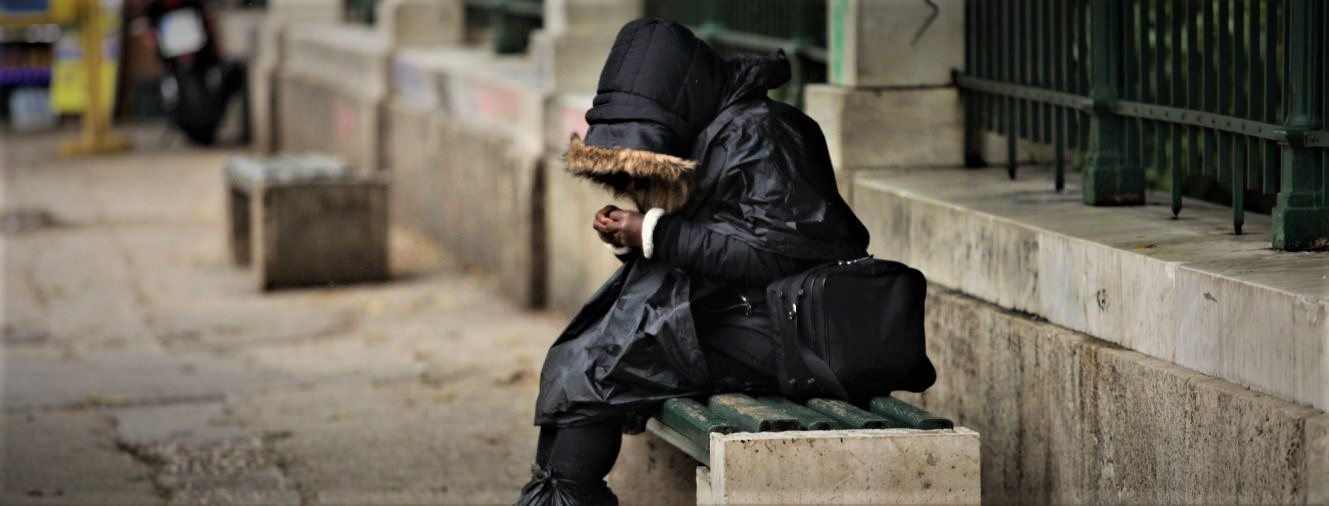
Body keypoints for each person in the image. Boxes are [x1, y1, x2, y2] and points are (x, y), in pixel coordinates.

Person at [517, 18, 871, 505]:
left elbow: (776, 255)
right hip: (750, 315)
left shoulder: (762, 134)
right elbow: (718, 233)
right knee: (586, 352)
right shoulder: (716, 128)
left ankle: (566, 495)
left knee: (603, 363)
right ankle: (561, 491)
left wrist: (654, 232)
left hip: (796, 333)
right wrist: (634, 235)